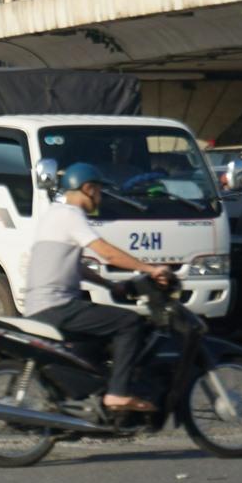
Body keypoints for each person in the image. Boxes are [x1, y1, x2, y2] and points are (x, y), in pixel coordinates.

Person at [23, 163, 175, 413]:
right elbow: (107, 254)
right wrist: (150, 269)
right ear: (88, 189)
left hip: (41, 305)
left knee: (101, 333)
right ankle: (117, 393)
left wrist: (109, 285)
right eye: (100, 191)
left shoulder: (53, 213)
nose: (101, 197)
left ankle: (92, 397)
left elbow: (77, 267)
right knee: (129, 323)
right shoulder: (72, 214)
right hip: (57, 306)